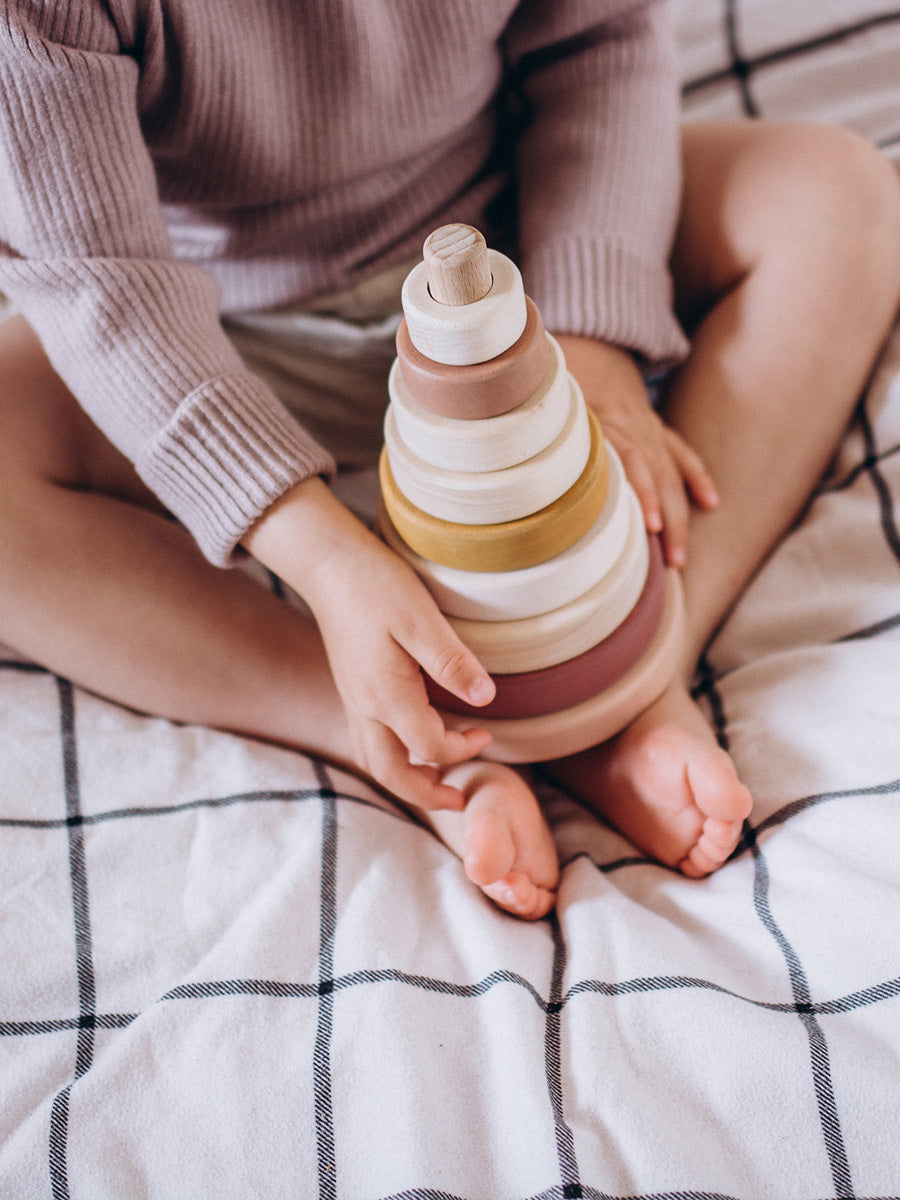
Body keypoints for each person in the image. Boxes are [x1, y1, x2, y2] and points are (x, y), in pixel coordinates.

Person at [1, 2, 899, 920]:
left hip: (514, 238)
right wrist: (320, 553)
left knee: (837, 195)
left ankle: (634, 669)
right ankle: (420, 739)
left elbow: (602, 38)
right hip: (221, 330)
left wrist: (593, 331)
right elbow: (96, 281)